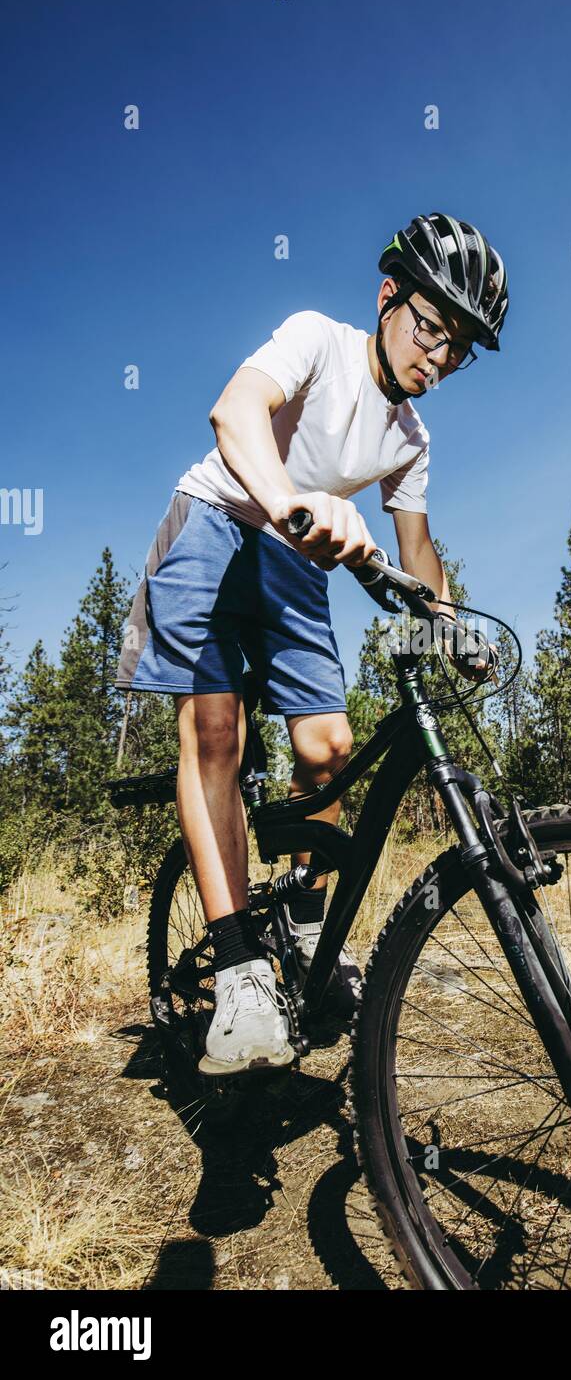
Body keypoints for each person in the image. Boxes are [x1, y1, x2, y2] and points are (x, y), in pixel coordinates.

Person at [115, 212, 509, 1076]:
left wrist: (450, 624)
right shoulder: (318, 341)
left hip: (296, 555)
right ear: (388, 298)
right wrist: (292, 502)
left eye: (457, 348)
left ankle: (300, 927)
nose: (437, 358)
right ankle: (239, 970)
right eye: (430, 329)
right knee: (217, 733)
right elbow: (236, 409)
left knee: (328, 750)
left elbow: (418, 553)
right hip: (218, 522)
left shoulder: (411, 440)